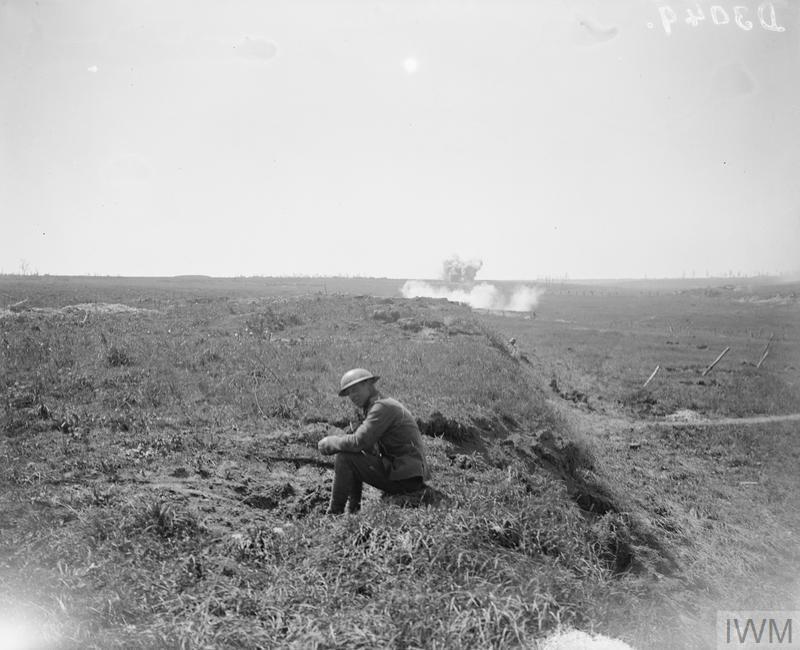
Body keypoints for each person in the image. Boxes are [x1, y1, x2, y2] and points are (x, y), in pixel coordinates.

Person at [317, 368, 429, 515]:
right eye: (349, 393)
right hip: (406, 474)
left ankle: (334, 513)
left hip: (406, 478)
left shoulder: (381, 407)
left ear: (369, 384)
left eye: (355, 390)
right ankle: (353, 510)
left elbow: (359, 442)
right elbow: (365, 447)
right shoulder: (377, 405)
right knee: (350, 456)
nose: (352, 396)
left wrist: (332, 441)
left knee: (345, 457)